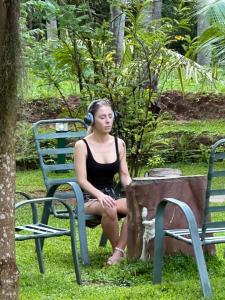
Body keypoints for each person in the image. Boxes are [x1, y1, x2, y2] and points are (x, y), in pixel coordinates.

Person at [74, 99, 132, 265]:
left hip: (111, 197)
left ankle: (118, 252)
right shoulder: (82, 145)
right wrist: (99, 195)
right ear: (91, 119)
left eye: (110, 116)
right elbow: (81, 180)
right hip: (88, 199)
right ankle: (117, 252)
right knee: (109, 206)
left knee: (136, 205)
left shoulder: (119, 143)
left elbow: (125, 176)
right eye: (102, 117)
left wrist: (135, 189)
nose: (107, 121)